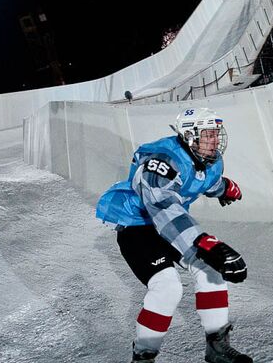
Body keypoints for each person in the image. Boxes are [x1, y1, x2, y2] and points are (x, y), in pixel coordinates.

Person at [96, 107, 252, 363]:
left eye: (216, 134)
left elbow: (203, 180)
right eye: (208, 134)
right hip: (138, 228)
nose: (215, 140)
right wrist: (203, 242)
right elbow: (163, 207)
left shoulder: (208, 159)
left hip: (174, 226)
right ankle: (143, 357)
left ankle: (217, 348)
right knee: (167, 287)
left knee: (211, 270)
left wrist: (224, 188)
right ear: (190, 136)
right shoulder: (161, 161)